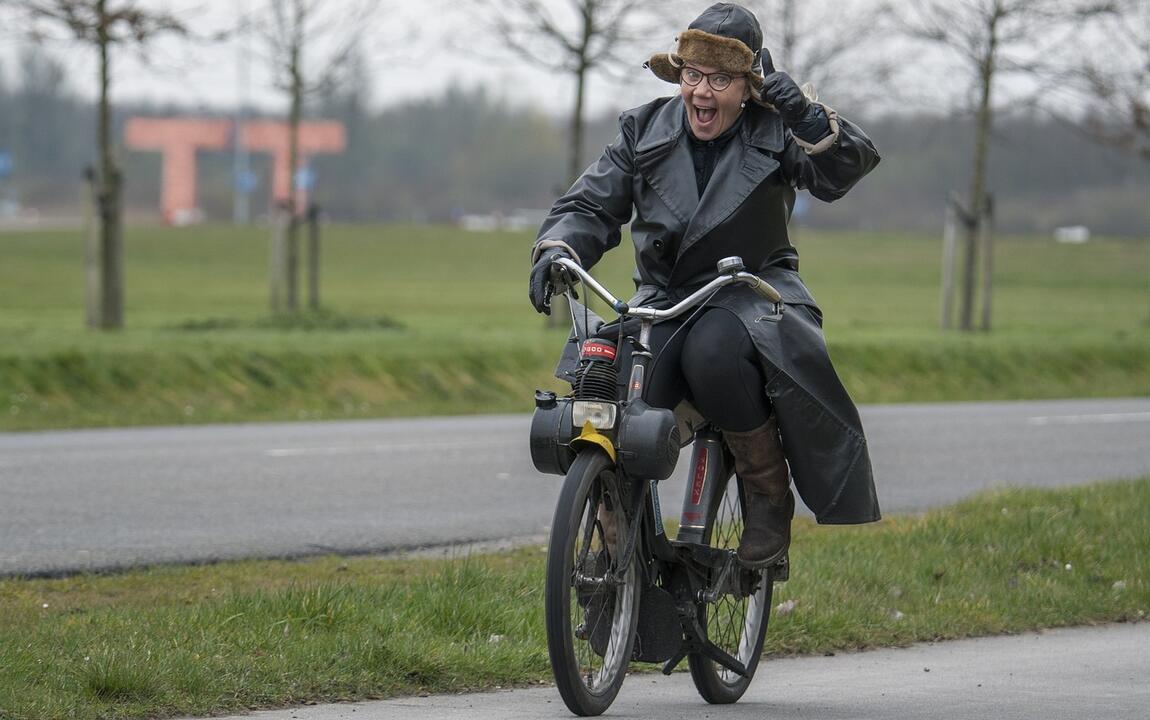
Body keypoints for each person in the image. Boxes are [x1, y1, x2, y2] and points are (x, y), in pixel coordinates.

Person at [528, 3, 882, 569]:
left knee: (712, 351)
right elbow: (590, 203)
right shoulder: (641, 128)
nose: (701, 93)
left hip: (752, 292)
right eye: (692, 75)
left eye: (720, 79)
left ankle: (768, 499)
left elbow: (842, 172)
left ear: (748, 87)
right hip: (665, 299)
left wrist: (807, 117)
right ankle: (613, 546)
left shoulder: (776, 131)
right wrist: (557, 248)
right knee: (613, 381)